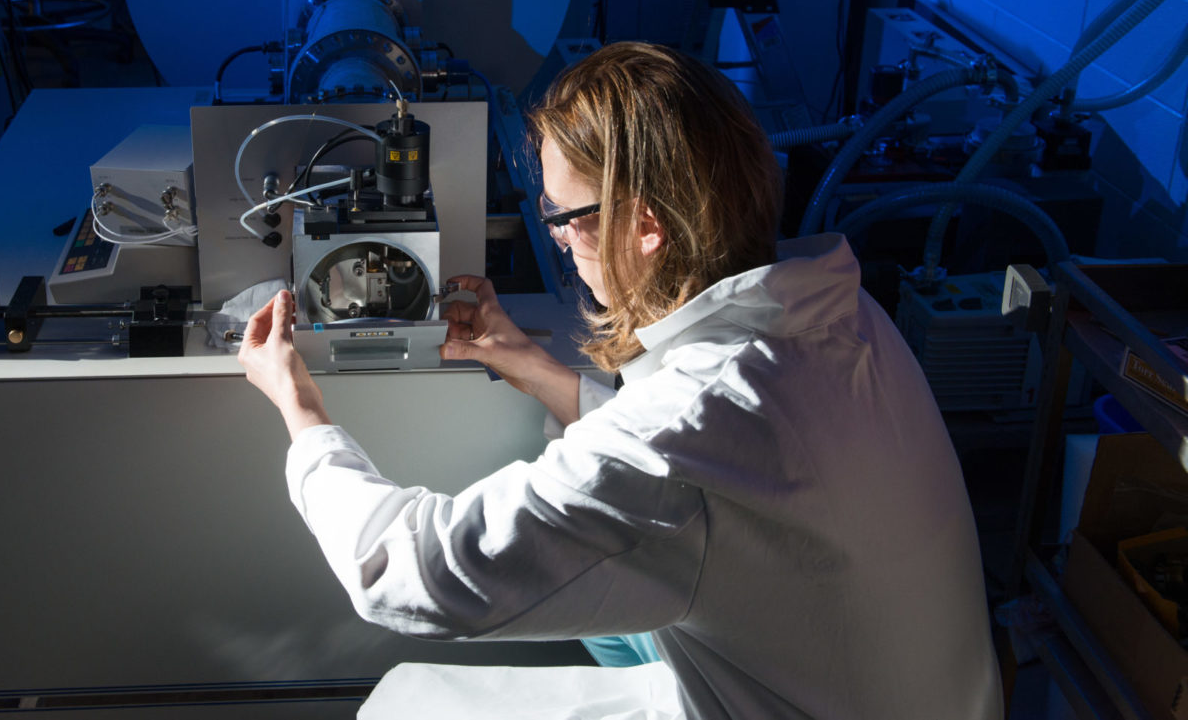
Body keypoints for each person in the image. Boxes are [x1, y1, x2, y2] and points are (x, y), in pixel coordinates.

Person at [238, 42, 1002, 719]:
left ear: (644, 223)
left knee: (404, 708)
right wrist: (537, 371)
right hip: (880, 686)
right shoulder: (841, 314)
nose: (562, 240)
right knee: (599, 608)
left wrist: (300, 408)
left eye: (565, 216)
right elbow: (720, 482)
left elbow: (412, 572)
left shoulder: (689, 429)